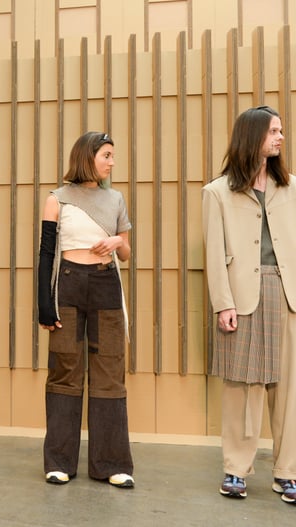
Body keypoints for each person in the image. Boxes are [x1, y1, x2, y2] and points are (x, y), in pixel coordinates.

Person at [202, 105, 296, 504]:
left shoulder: (292, 187)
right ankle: (236, 469)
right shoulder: (217, 192)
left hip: (288, 295)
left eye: (280, 131)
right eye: (273, 131)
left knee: (290, 389)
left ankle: (287, 472)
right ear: (252, 136)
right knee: (242, 386)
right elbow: (213, 252)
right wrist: (223, 303)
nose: (280, 137)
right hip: (242, 299)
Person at [38, 131, 134, 488]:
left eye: (112, 155)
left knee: (110, 371)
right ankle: (59, 461)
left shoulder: (116, 199)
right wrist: (43, 305)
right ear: (87, 157)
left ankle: (112, 464)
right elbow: (46, 253)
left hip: (107, 283)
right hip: (68, 285)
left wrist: (116, 243)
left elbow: (126, 251)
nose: (112, 162)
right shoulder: (56, 199)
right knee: (65, 369)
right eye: (106, 155)